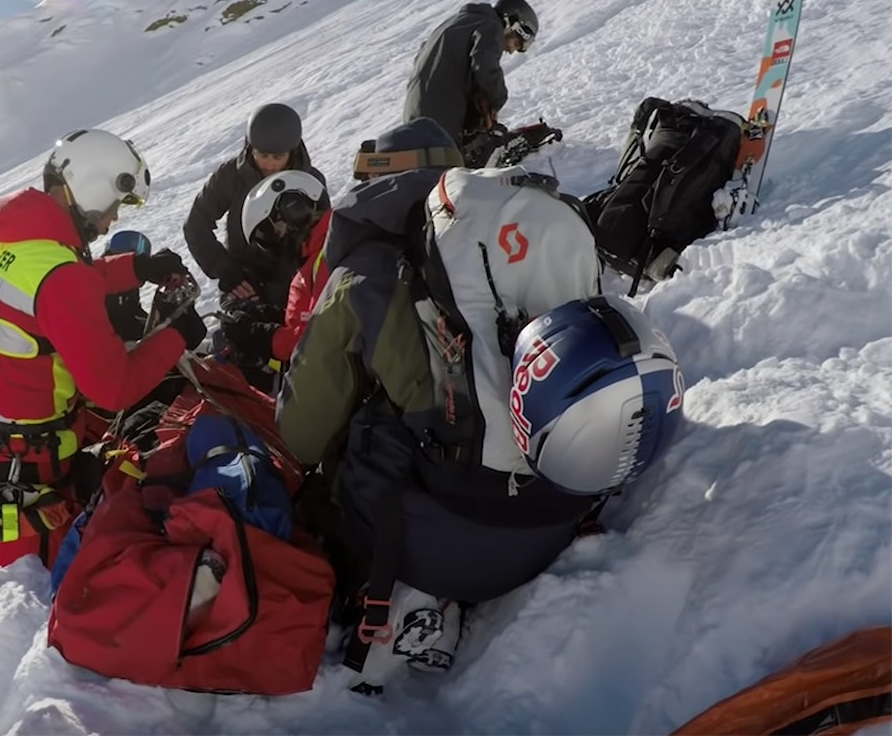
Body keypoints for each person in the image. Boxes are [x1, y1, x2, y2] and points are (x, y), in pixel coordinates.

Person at [276, 119, 685, 692]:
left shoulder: (364, 272)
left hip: (436, 543)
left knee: (351, 440)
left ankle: (395, 606)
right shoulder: (532, 230)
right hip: (556, 513)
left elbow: (301, 434)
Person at [0, 128, 208, 568]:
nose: (112, 220)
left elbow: (63, 286)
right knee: (39, 572)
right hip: (33, 452)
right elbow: (113, 389)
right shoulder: (59, 272)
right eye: (113, 207)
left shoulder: (9, 235)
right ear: (92, 191)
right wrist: (178, 335)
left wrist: (137, 267)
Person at [183, 103, 330, 312]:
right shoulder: (231, 175)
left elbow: (324, 237)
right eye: (261, 155)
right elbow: (196, 224)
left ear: (292, 151)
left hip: (298, 280)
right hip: (244, 281)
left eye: (277, 157)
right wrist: (226, 271)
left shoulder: (311, 183)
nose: (268, 164)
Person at [403, 0, 539, 162]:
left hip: (415, 114)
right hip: (439, 120)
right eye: (516, 43)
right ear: (512, 24)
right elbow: (485, 66)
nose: (511, 50)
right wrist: (497, 100)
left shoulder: (457, 22)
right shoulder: (491, 26)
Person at [220, 171, 332, 370]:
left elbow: (323, 345)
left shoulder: (329, 258)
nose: (274, 243)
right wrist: (272, 316)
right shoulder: (319, 256)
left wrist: (263, 337)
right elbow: (319, 318)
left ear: (294, 211)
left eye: (269, 232)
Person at [102, 230, 152, 342]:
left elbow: (133, 308)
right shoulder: (103, 280)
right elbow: (121, 321)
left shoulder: (126, 279)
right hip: (112, 343)